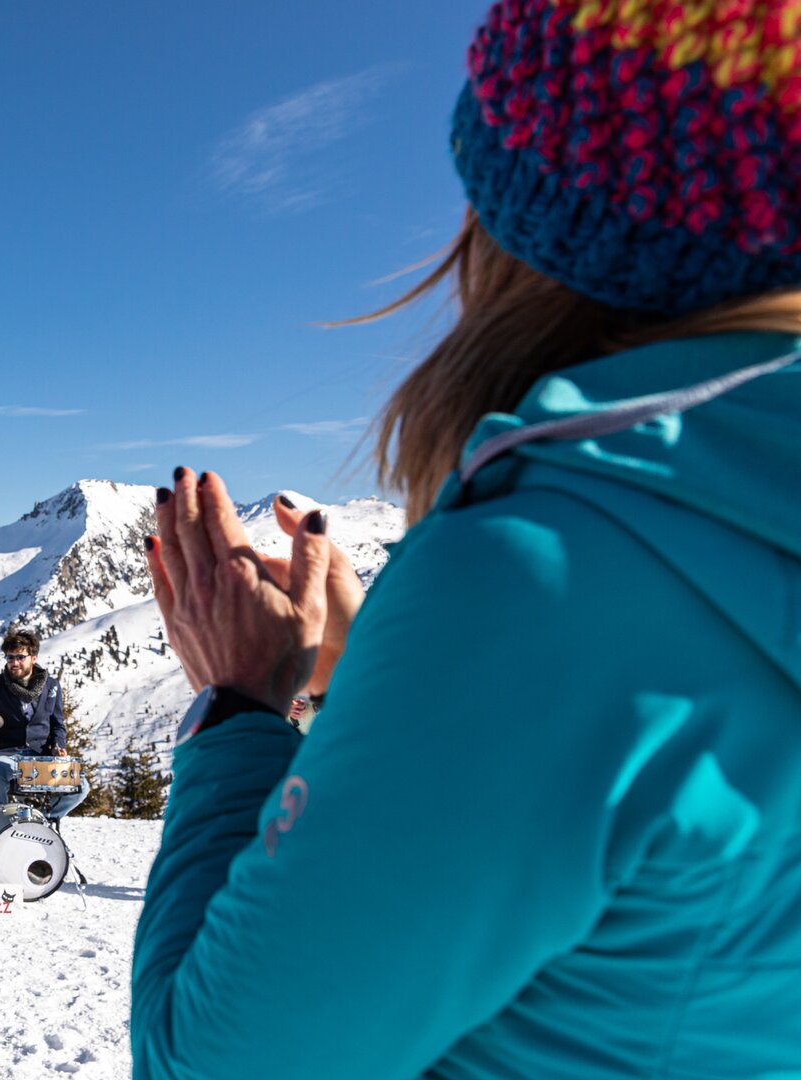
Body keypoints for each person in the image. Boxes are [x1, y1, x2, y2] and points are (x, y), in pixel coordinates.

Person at [131, 3, 801, 1077]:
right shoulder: (732, 508)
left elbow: (214, 1061)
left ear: (525, 213)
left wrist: (239, 708)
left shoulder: (550, 577)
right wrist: (381, 666)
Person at [0, 628, 89, 821]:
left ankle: (44, 820)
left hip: (41, 756)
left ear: (33, 658)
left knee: (81, 787)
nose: (14, 663)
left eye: (20, 657)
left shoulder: (51, 686)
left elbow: (57, 724)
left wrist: (58, 747)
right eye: (10, 657)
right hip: (7, 754)